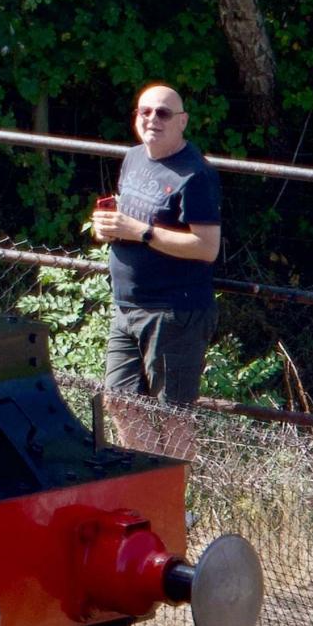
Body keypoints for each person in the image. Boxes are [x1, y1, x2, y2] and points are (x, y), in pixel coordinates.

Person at [95, 83, 224, 407]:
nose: (152, 119)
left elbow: (207, 247)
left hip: (172, 312)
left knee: (173, 417)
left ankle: (173, 448)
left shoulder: (196, 175)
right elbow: (131, 218)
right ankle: (142, 447)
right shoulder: (133, 157)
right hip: (126, 306)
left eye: (163, 113)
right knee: (119, 404)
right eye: (145, 111)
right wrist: (109, 229)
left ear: (182, 121)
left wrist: (141, 232)